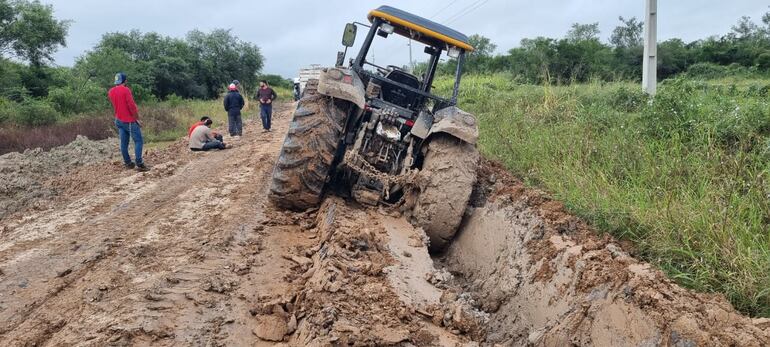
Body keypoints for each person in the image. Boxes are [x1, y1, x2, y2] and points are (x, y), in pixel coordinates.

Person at [108, 72, 149, 172]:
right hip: (129, 121)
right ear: (125, 81)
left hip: (118, 120)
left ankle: (128, 163)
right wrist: (137, 119)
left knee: (124, 143)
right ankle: (139, 163)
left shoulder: (111, 91)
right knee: (138, 141)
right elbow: (132, 106)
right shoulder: (126, 90)